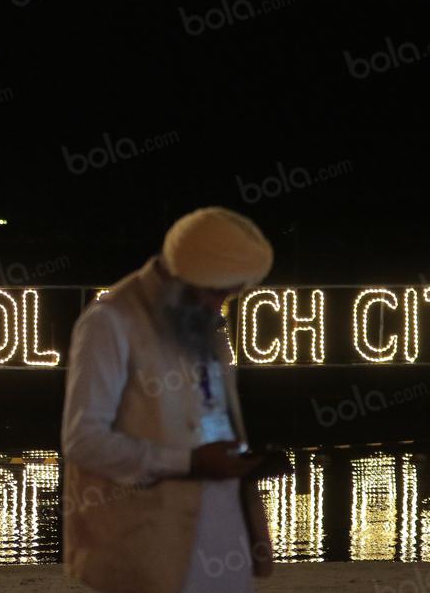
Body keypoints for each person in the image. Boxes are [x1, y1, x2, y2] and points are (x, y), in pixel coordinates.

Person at [62, 206, 275, 592]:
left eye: (230, 294)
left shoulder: (202, 317)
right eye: (215, 292)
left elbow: (212, 417)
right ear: (183, 275)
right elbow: (83, 441)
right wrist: (189, 462)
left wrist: (242, 459)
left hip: (226, 536)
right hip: (150, 548)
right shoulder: (109, 321)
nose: (219, 305)